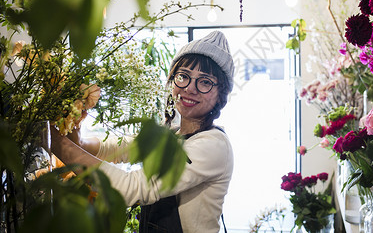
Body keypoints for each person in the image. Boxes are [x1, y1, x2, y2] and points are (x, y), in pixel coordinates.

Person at [50, 30, 235, 233]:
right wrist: (75, 117)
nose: (190, 88)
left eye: (205, 82)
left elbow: (131, 188)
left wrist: (54, 141)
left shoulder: (213, 145)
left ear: (221, 95)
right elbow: (107, 148)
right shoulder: (168, 136)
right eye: (183, 76)